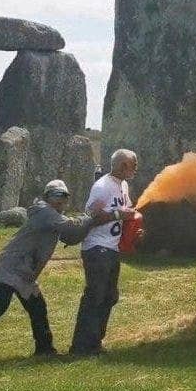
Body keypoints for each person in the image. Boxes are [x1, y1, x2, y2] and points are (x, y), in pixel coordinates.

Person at [0, 180, 127, 365]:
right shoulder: (44, 211)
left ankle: (44, 349)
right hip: (11, 267)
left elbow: (72, 236)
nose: (61, 201)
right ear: (47, 197)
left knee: (37, 307)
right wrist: (103, 216)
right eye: (57, 196)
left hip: (23, 271)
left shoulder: (54, 217)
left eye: (64, 197)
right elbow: (71, 227)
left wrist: (91, 220)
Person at [69, 148, 138, 357]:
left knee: (109, 296)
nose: (136, 169)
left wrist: (133, 230)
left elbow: (125, 215)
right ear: (123, 165)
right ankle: (80, 347)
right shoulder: (102, 187)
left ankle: (95, 342)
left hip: (112, 248)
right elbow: (91, 216)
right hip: (97, 248)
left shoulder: (123, 185)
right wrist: (119, 213)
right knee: (95, 296)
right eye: (133, 165)